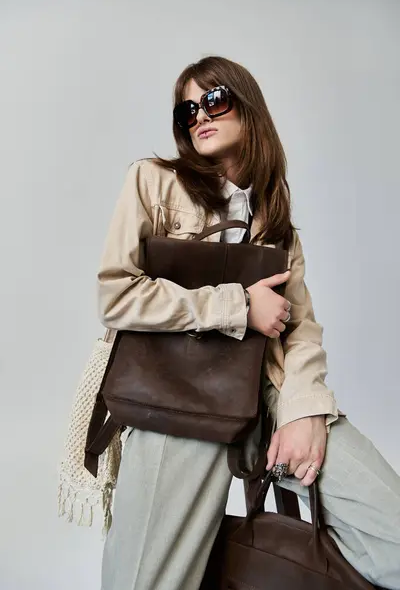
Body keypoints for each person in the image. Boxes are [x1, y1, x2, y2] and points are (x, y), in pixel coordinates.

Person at [96, 56, 400, 590]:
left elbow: (301, 328)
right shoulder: (153, 181)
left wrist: (305, 411)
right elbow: (118, 294)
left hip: (274, 394)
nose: (200, 116)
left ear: (247, 106)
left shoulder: (277, 220)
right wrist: (237, 306)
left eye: (214, 100)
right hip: (182, 400)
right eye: (188, 109)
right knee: (147, 581)